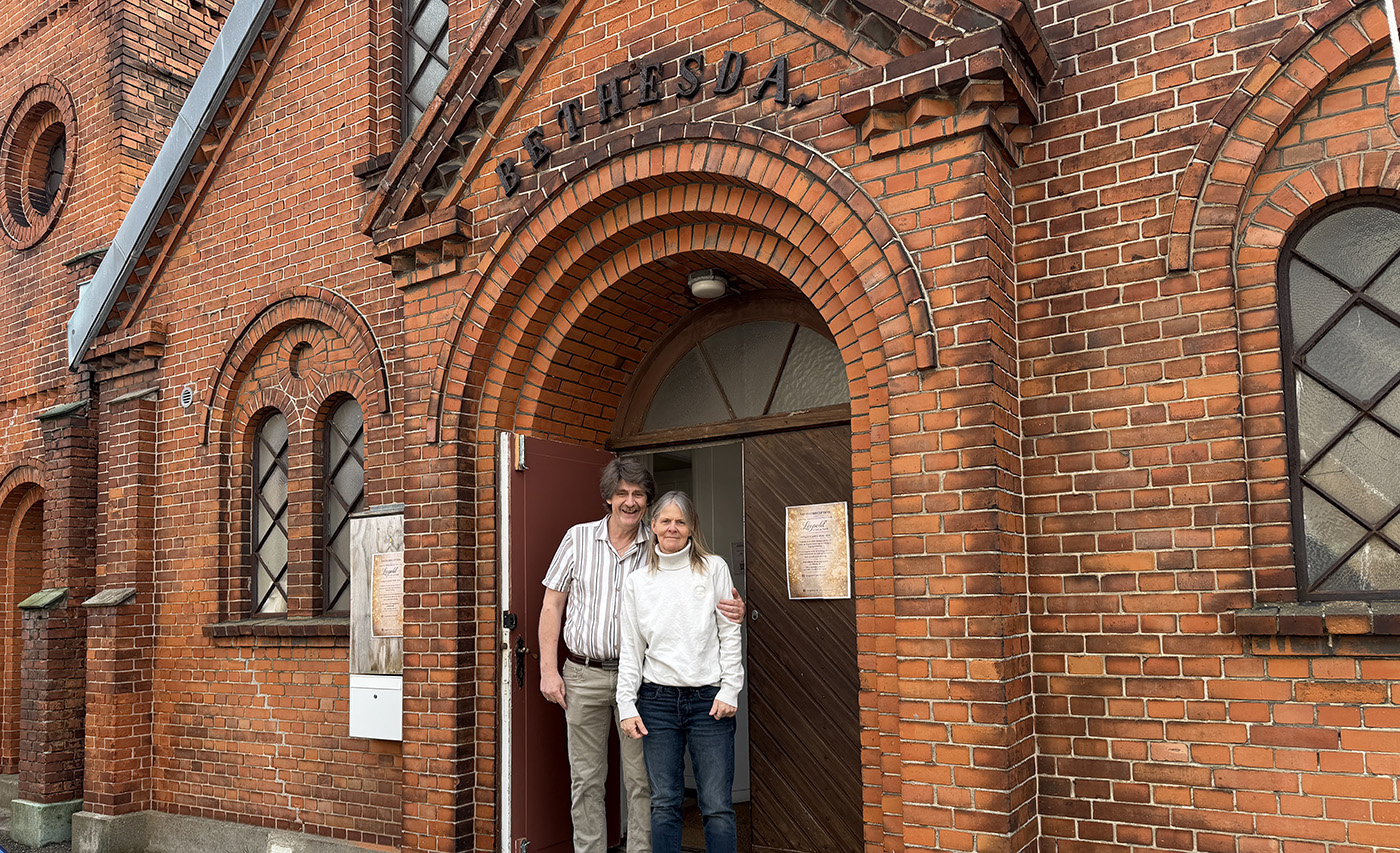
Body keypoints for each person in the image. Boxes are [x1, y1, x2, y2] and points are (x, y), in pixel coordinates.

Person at [539, 459, 744, 853]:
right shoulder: (578, 539)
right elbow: (552, 606)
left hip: (643, 683)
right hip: (585, 673)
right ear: (608, 499)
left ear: (648, 505)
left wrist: (735, 606)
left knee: (643, 783)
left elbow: (702, 592)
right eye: (622, 494)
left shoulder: (661, 549)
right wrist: (549, 669)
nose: (630, 502)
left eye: (638, 495)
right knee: (586, 779)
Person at [617, 491, 744, 853]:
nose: (673, 527)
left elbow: (729, 632)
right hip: (656, 701)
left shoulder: (714, 568)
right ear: (652, 525)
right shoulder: (638, 582)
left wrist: (729, 689)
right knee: (664, 802)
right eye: (665, 520)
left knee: (717, 806)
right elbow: (632, 647)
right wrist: (626, 703)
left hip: (709, 701)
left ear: (691, 528)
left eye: (681, 521)